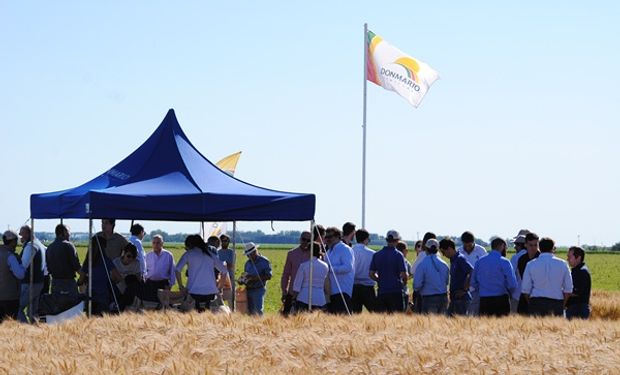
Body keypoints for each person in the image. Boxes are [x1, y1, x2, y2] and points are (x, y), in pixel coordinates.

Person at [521, 237, 573, 317]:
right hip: (556, 302)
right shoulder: (563, 264)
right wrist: (562, 304)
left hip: (536, 302)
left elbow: (525, 289)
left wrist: (531, 302)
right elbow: (568, 289)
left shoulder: (531, 264)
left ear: (539, 247)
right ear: (553, 248)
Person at [176, 235, 227, 312]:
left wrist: (181, 286)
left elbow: (177, 270)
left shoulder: (188, 254)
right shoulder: (210, 254)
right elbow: (224, 271)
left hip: (193, 292)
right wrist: (219, 287)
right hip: (211, 293)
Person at [470, 237, 516, 317]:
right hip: (501, 299)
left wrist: (482, 289)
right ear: (502, 246)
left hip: (484, 299)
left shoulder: (480, 261)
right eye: (506, 247)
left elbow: (473, 282)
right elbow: (512, 284)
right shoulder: (504, 262)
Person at [78, 236, 122, 315]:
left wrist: (80, 282)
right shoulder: (106, 260)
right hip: (103, 296)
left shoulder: (88, 261)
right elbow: (119, 277)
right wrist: (110, 282)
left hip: (90, 296)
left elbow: (81, 279)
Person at [369, 230, 408, 313]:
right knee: (397, 321)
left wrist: (379, 280)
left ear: (387, 240)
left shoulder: (377, 254)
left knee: (382, 320)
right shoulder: (398, 255)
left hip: (382, 292)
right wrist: (404, 283)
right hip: (396, 292)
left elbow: (371, 274)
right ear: (397, 241)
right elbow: (404, 274)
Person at [17, 225, 46, 323]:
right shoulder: (39, 244)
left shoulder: (30, 246)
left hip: (30, 283)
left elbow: (24, 265)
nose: (20, 236)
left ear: (28, 233)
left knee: (18, 307)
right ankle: (36, 332)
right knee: (32, 312)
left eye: (22, 233)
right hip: (38, 282)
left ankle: (25, 330)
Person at [413, 238, 449, 314]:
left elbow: (417, 285)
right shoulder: (444, 264)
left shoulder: (422, 264)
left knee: (429, 324)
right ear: (438, 249)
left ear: (426, 249)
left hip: (428, 298)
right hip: (443, 298)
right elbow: (446, 282)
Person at [439, 238, 473, 316]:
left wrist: (465, 289)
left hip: (462, 300)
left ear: (450, 249)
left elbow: (472, 271)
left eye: (444, 252)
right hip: (455, 299)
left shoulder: (460, 258)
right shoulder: (453, 260)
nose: (444, 255)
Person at [325, 227, 354, 314]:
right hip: (330, 292)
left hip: (342, 291)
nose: (328, 239)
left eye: (330, 236)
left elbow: (348, 267)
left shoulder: (345, 249)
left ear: (338, 236)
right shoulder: (329, 251)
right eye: (326, 237)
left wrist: (329, 269)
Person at [280, 231, 312, 315]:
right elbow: (286, 274)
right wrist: (284, 290)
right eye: (303, 239)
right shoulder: (291, 253)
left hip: (307, 293)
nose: (305, 242)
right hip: (292, 292)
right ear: (300, 239)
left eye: (308, 240)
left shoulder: (313, 255)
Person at [292, 242, 329, 312]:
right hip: (320, 298)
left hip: (304, 297)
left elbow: (297, 284)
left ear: (309, 251)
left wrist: (294, 298)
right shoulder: (325, 266)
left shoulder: (303, 266)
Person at [46, 224, 81, 298]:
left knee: (57, 307)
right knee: (72, 306)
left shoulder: (49, 248)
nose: (69, 234)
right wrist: (86, 276)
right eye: (68, 232)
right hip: (68, 283)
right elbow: (76, 266)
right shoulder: (68, 246)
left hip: (55, 283)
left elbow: (48, 268)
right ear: (64, 232)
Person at [457, 231, 487, 316]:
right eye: (465, 245)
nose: (467, 248)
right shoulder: (459, 251)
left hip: (478, 288)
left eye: (469, 245)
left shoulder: (481, 251)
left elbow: (484, 269)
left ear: (473, 242)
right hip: (463, 288)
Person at [0, 230, 25, 322]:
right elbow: (20, 275)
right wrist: (21, 264)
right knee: (9, 325)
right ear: (13, 242)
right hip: (10, 298)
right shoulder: (10, 256)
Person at [143, 234, 176, 304]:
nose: (155, 245)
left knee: (163, 304)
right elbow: (144, 270)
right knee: (151, 304)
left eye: (158, 243)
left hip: (163, 283)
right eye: (154, 243)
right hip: (150, 283)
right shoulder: (148, 256)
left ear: (162, 243)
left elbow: (173, 271)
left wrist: (170, 285)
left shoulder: (168, 255)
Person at [351, 229, 377, 313]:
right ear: (366, 239)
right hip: (368, 287)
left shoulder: (350, 251)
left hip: (354, 287)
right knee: (375, 314)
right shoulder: (372, 253)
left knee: (355, 315)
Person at [242, 242, 272, 315]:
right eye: (247, 255)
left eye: (249, 255)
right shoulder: (247, 263)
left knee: (258, 311)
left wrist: (254, 278)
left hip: (259, 289)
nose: (248, 257)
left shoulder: (264, 261)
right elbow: (246, 275)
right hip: (248, 289)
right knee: (250, 312)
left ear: (255, 251)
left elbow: (269, 276)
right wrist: (242, 280)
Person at [112, 243, 142, 311]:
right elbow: (112, 279)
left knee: (131, 280)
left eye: (133, 257)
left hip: (130, 288)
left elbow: (138, 279)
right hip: (117, 287)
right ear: (124, 253)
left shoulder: (136, 263)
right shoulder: (116, 262)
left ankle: (120, 307)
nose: (131, 259)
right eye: (128, 256)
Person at [517, 232, 541, 315]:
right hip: (525, 295)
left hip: (539, 296)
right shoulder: (522, 259)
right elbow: (524, 278)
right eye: (531, 245)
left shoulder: (541, 258)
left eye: (535, 245)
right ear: (525, 245)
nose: (533, 248)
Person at [565, 246, 591, 319]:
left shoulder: (581, 272)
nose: (567, 259)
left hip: (577, 309)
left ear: (578, 258)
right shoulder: (578, 270)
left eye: (570, 257)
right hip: (577, 308)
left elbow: (575, 292)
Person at [509, 229, 529, 313]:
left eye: (516, 245)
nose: (515, 247)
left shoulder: (515, 257)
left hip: (517, 294)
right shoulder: (535, 255)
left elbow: (511, 276)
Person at [218, 234, 236, 310]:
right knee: (219, 297)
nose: (224, 242)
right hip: (219, 277)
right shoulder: (217, 251)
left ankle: (232, 313)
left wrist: (221, 265)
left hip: (229, 277)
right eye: (222, 241)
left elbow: (230, 265)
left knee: (230, 299)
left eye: (226, 241)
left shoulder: (231, 252)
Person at [395, 241, 412, 309]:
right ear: (404, 251)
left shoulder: (392, 260)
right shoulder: (405, 262)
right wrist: (407, 278)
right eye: (407, 250)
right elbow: (412, 273)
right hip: (403, 291)